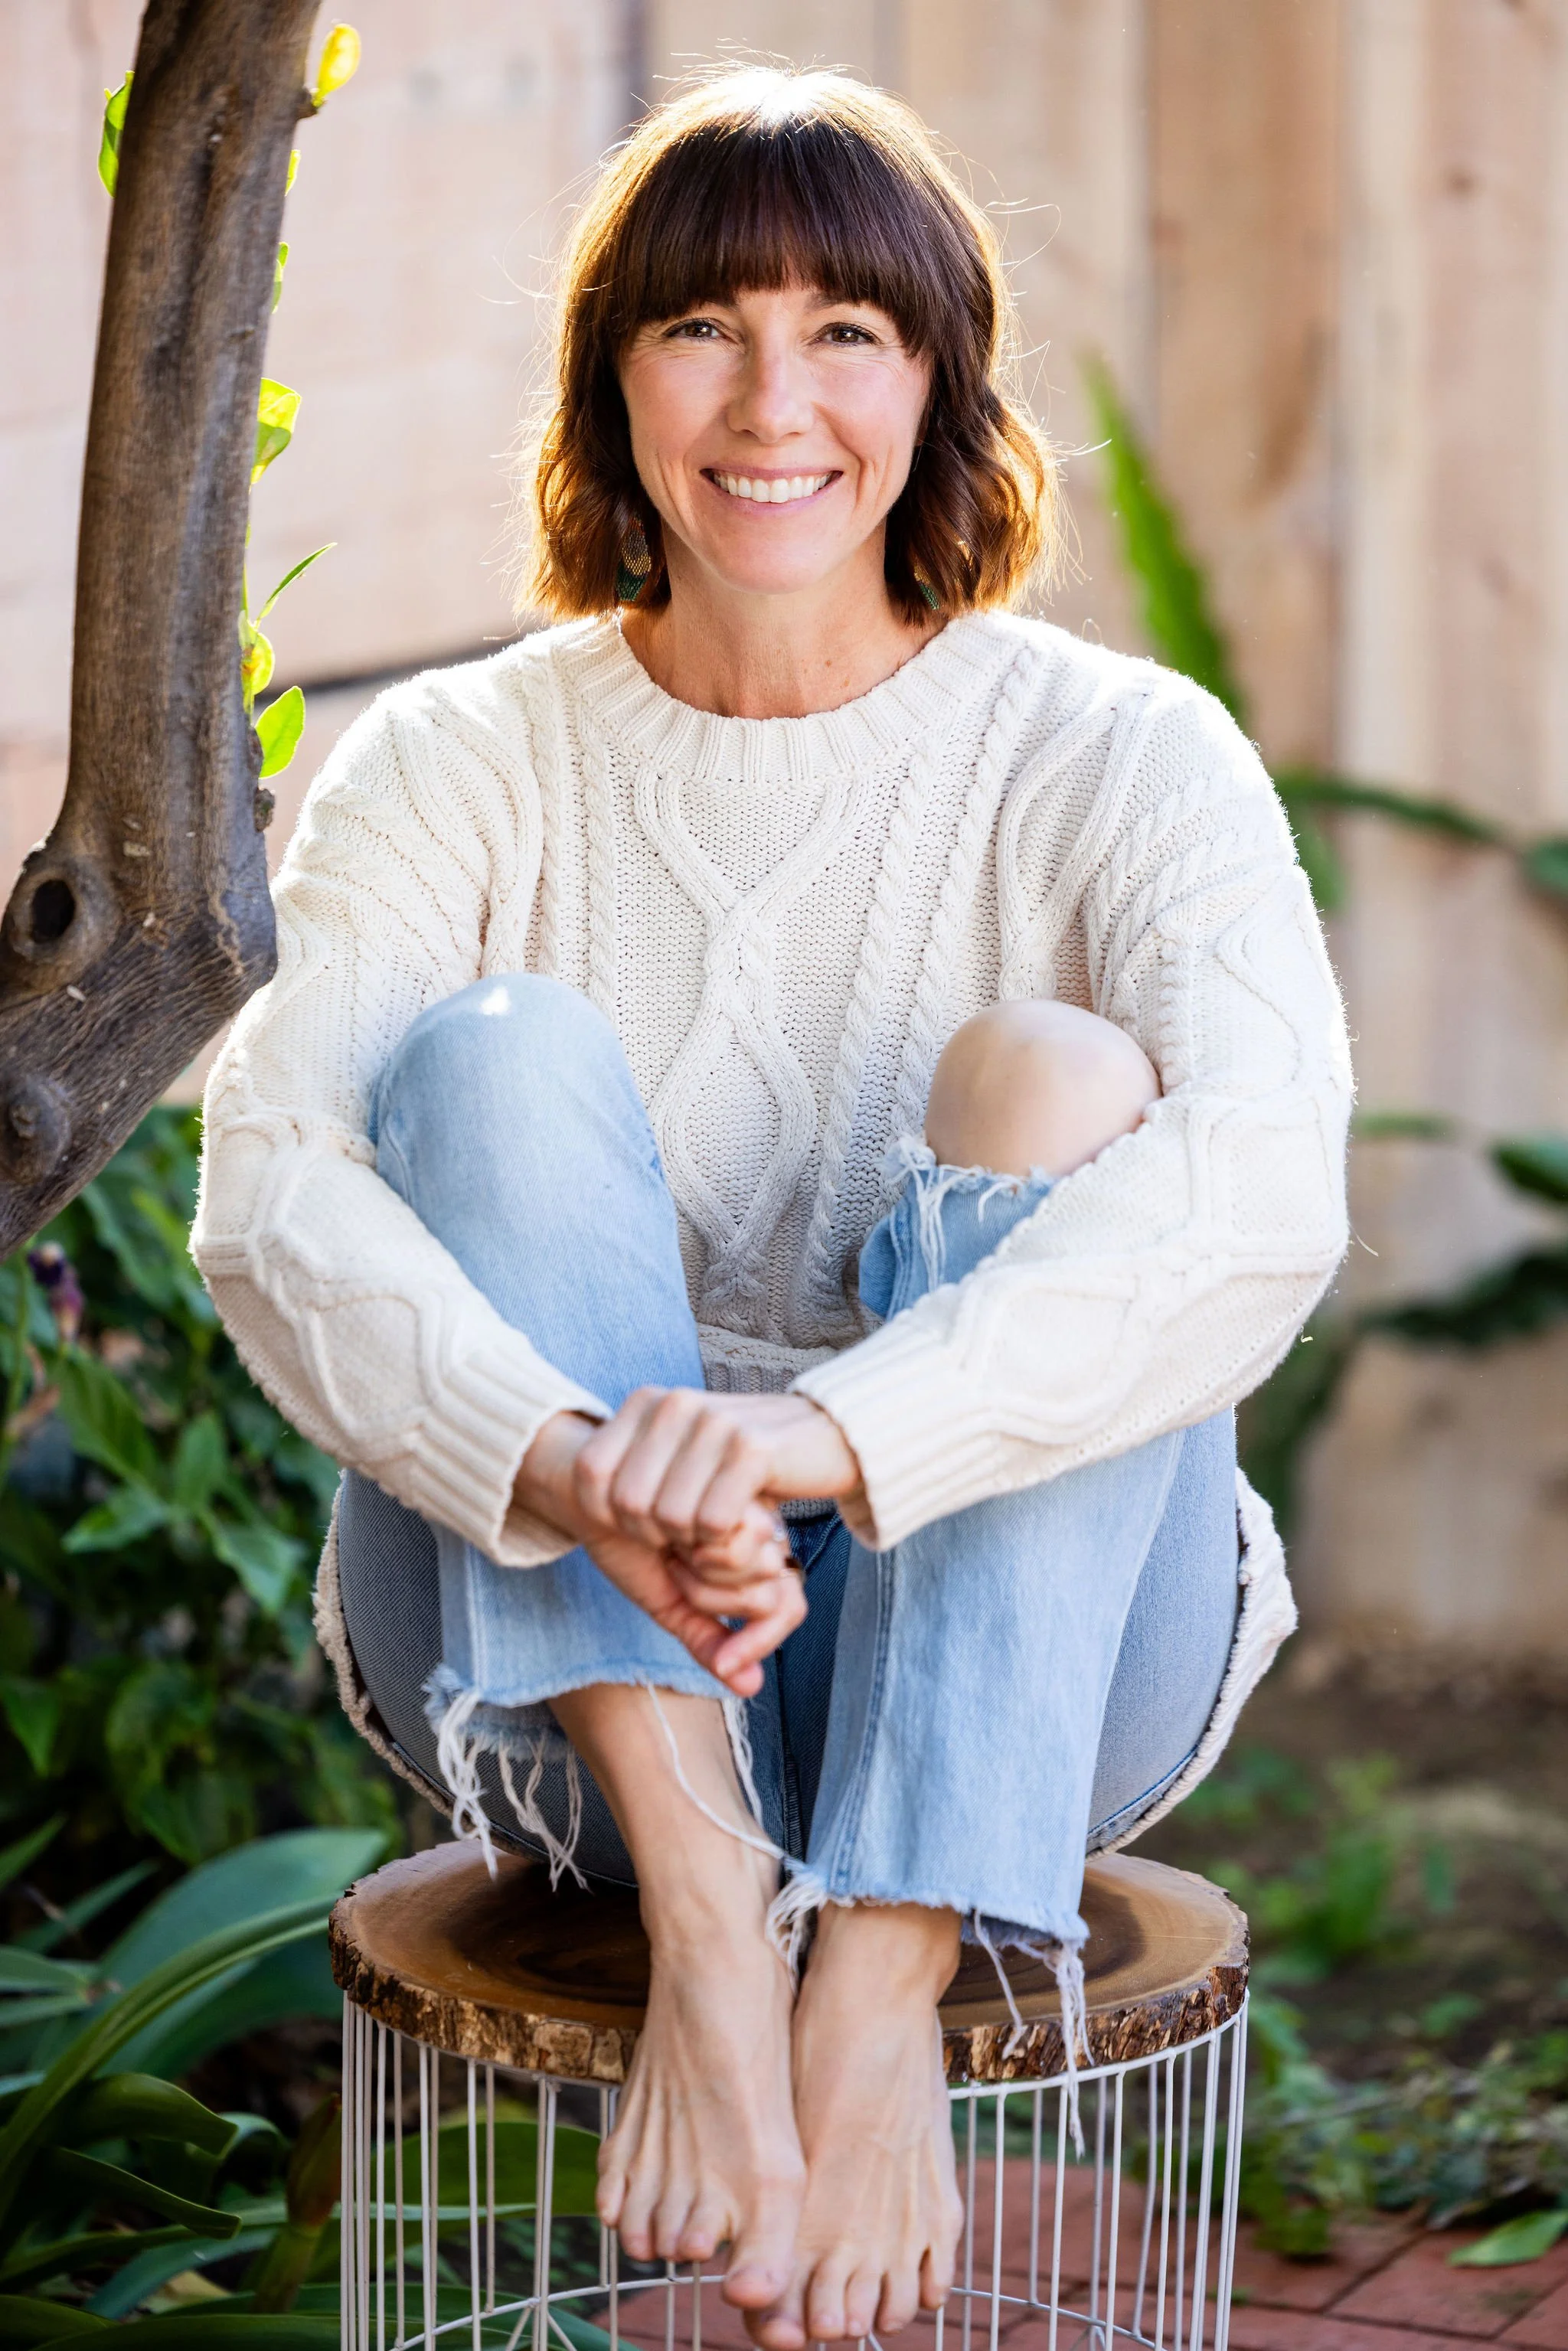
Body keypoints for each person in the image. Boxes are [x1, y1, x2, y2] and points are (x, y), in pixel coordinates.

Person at [194, 62, 1351, 2351]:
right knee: (486, 1057)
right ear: (610, 379)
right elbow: (264, 1195)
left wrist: (823, 1438)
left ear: (940, 383)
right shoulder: (457, 760)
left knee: (1065, 1078)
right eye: (703, 326)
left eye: (850, 332)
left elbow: (1267, 1193)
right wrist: (567, 1456)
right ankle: (723, 1925)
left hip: (1037, 1674)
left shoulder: (1122, 756)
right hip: (563, 1683)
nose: (771, 401)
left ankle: (888, 1970)